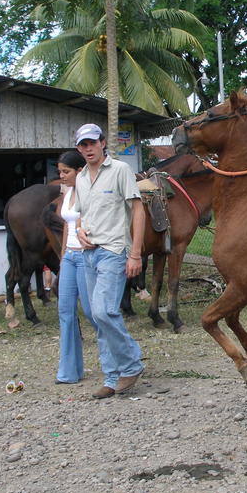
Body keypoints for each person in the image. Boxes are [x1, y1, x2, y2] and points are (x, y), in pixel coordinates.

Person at [73, 123, 146, 399]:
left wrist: (135, 253)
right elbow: (81, 213)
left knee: (104, 311)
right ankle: (112, 377)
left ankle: (131, 364)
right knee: (97, 315)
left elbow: (137, 211)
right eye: (83, 145)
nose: (88, 148)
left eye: (92, 143)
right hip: (88, 253)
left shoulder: (120, 170)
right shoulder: (80, 178)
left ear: (102, 142)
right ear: (78, 148)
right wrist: (79, 231)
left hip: (114, 251)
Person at [55, 150, 97, 384]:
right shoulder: (68, 191)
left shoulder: (89, 192)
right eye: (60, 171)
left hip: (85, 255)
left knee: (92, 312)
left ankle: (118, 358)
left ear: (79, 171)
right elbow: (66, 227)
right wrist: (62, 259)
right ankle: (69, 371)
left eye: (66, 171)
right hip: (70, 256)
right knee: (65, 312)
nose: (61, 175)